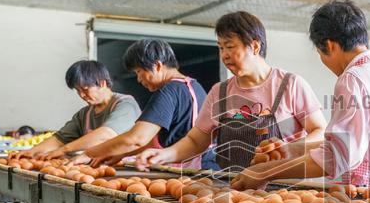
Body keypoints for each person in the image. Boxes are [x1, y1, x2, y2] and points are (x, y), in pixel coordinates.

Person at [231, 0, 370, 193]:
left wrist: (265, 171)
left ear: (329, 46)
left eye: (320, 54)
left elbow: (339, 157)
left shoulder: (351, 80)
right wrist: (293, 150)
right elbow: (354, 142)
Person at [135, 11, 327, 171]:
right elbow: (196, 141)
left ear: (255, 46)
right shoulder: (220, 92)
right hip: (233, 192)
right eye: (220, 47)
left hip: (284, 191)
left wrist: (291, 149)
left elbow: (320, 131)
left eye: (230, 46)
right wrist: (164, 155)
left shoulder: (290, 85)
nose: (224, 55)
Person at [82, 39, 212, 168]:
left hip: (192, 168)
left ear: (157, 66)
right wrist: (121, 153)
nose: (138, 79)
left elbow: (137, 138)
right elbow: (154, 142)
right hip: (209, 164)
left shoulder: (168, 91)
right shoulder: (194, 86)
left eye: (139, 71)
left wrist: (88, 153)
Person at [21, 60, 139, 159]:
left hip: (129, 170)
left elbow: (106, 134)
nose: (82, 95)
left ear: (102, 83)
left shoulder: (126, 105)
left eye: (85, 89)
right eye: (78, 91)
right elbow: (59, 139)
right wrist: (31, 152)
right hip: (97, 168)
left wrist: (64, 150)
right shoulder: (85, 114)